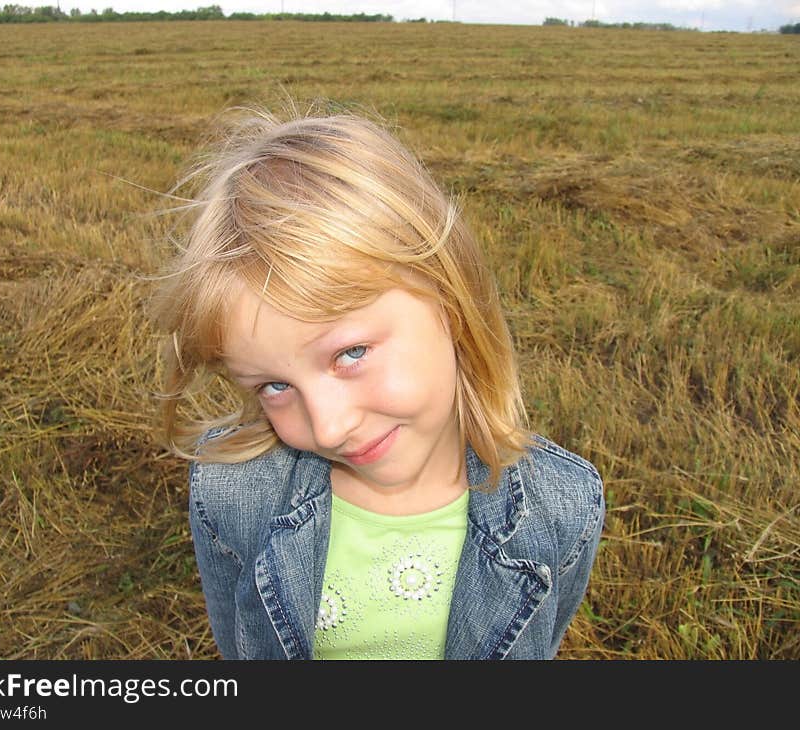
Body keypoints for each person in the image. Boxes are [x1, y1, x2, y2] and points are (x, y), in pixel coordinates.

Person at [151, 99, 605, 660]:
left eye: (352, 353)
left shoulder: (562, 507)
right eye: (273, 386)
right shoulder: (233, 493)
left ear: (449, 298)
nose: (330, 426)